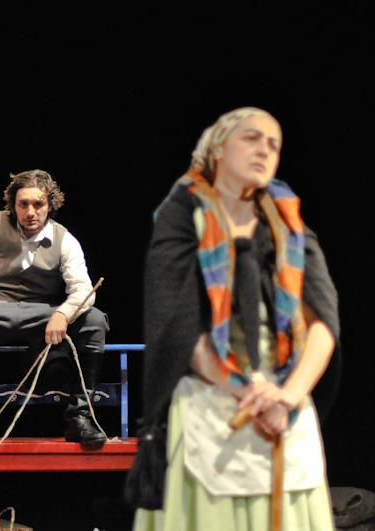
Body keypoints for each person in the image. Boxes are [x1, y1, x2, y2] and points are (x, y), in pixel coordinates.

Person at [125, 108, 341, 530]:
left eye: (274, 144)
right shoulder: (182, 216)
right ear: (219, 147)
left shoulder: (289, 222)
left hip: (285, 405)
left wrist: (287, 396)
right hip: (212, 404)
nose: (265, 150)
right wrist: (246, 391)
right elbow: (178, 325)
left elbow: (323, 321)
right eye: (252, 138)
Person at [0, 169, 109, 449]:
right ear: (13, 204)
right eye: (23, 204)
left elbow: (83, 289)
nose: (30, 212)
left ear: (50, 204)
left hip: (41, 315)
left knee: (94, 321)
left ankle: (80, 416)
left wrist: (62, 314)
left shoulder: (64, 239)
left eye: (38, 204)